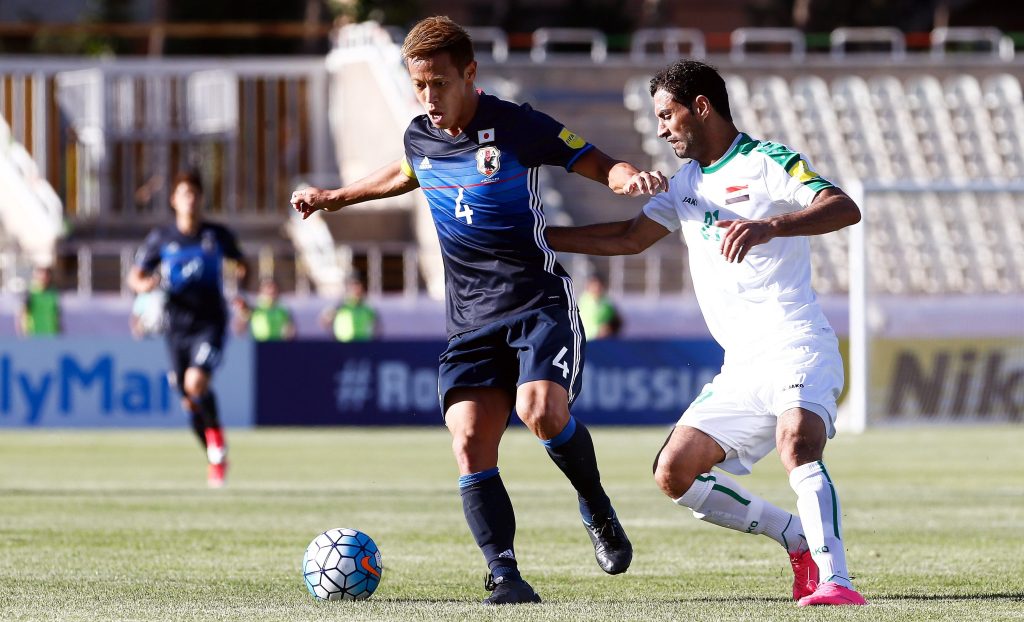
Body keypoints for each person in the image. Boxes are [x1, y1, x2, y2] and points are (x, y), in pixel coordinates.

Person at [290, 16, 667, 605]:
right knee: (468, 439)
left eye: (439, 83)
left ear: (470, 73)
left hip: (536, 300)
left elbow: (590, 158)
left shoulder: (517, 126)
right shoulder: (422, 135)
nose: (429, 98)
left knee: (538, 409)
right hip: (470, 319)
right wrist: (333, 197)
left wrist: (624, 176)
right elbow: (403, 172)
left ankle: (596, 506)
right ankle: (505, 573)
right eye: (419, 85)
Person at [545, 60, 867, 607]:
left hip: (795, 343)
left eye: (667, 115)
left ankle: (835, 579)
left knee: (798, 443)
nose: (662, 128)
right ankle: (794, 537)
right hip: (741, 367)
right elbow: (628, 237)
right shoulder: (685, 185)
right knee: (673, 472)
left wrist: (770, 225)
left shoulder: (768, 161)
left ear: (701, 107)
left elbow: (843, 205)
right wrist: (539, 237)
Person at [127, 170, 247, 488]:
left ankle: (218, 449)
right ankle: (213, 453)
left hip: (210, 322)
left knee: (196, 383)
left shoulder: (216, 235)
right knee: (188, 400)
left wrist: (241, 294)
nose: (189, 200)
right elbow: (135, 277)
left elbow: (242, 262)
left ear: (201, 199)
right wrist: (148, 284)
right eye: (184, 194)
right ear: (174, 200)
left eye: (194, 194)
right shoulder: (162, 238)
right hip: (176, 326)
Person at [233, 277, 296, 341]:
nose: (271, 293)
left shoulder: (283, 310)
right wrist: (241, 313)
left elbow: (291, 331)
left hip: (278, 346)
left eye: (274, 291)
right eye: (268, 290)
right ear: (261, 291)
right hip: (259, 346)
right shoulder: (254, 309)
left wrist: (289, 334)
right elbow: (239, 329)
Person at [319, 273, 376, 342]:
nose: (356, 289)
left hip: (362, 345)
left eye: (358, 285)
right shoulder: (340, 306)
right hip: (343, 346)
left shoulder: (368, 308)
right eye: (353, 286)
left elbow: (376, 326)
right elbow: (324, 321)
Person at [18, 265, 61, 336]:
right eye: (41, 275)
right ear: (36, 276)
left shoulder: (54, 293)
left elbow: (57, 314)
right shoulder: (30, 292)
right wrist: (24, 331)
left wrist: (58, 329)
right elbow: (23, 313)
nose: (44, 277)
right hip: (34, 334)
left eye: (46, 275)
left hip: (51, 335)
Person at [577, 274, 622, 340]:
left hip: (604, 340)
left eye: (599, 286)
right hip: (587, 340)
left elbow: (616, 321)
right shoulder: (584, 302)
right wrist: (598, 331)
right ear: (589, 286)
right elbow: (584, 324)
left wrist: (609, 328)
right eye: (595, 286)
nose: (597, 288)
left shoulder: (607, 302)